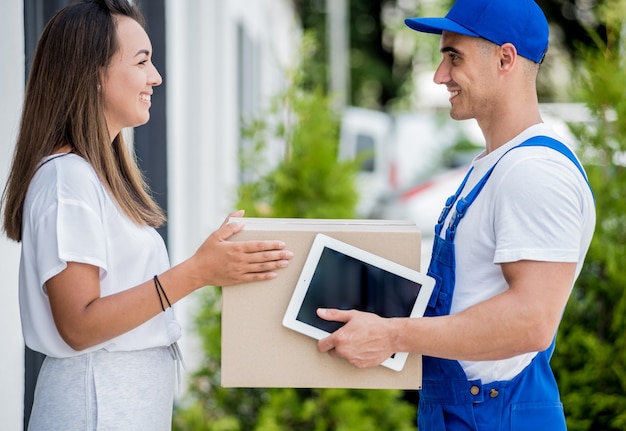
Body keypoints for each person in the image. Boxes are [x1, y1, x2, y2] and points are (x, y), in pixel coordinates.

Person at [0, 0, 293, 429]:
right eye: (142, 62)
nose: (155, 77)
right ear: (93, 74)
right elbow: (78, 325)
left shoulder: (95, 176)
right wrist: (196, 272)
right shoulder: (68, 179)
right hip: (95, 408)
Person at [316, 0, 596, 429]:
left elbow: (531, 320)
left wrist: (392, 334)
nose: (439, 75)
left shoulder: (534, 172)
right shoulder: (495, 164)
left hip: (493, 416)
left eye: (454, 56)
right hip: (461, 410)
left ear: (505, 58)